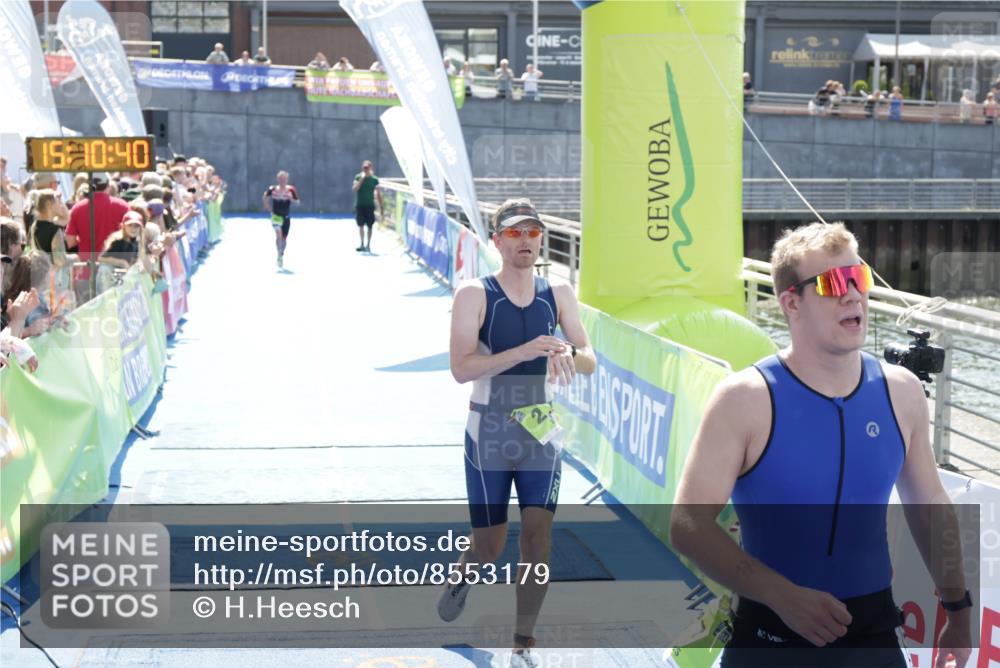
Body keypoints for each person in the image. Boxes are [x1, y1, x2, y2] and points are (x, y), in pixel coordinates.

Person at [670, 222, 973, 668]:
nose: (853, 295)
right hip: (770, 636)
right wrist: (782, 596)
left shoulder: (902, 391)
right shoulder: (745, 399)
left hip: (873, 637)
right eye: (833, 283)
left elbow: (930, 506)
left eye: (858, 278)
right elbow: (687, 524)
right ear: (791, 303)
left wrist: (959, 610)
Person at [438, 198, 596, 668]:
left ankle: (523, 643)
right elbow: (461, 368)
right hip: (488, 431)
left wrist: (567, 351)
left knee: (537, 539)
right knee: (489, 546)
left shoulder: (559, 292)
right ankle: (464, 575)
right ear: (497, 241)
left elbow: (589, 359)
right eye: (514, 233)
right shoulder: (474, 294)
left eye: (532, 232)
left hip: (539, 433)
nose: (525, 240)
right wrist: (524, 351)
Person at [64, 172, 130, 267]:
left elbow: (70, 241)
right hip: (116, 266)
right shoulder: (123, 206)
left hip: (87, 266)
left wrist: (84, 239)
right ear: (108, 186)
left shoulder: (77, 208)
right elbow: (132, 236)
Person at [262, 170, 299, 268]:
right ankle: (278, 253)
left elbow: (297, 201)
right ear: (278, 179)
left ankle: (281, 254)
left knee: (283, 238)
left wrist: (291, 199)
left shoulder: (291, 190)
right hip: (276, 216)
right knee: (278, 234)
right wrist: (267, 206)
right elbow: (265, 195)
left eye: (284, 179)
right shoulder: (273, 189)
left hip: (286, 217)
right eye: (280, 179)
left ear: (287, 180)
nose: (282, 181)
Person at [352, 160, 382, 252]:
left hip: (370, 205)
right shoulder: (358, 177)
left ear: (370, 168)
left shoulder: (374, 179)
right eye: (364, 168)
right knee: (360, 225)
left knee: (369, 225)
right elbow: (355, 189)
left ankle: (368, 244)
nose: (366, 169)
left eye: (367, 168)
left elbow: (378, 193)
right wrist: (362, 179)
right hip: (360, 205)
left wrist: (380, 206)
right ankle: (362, 243)